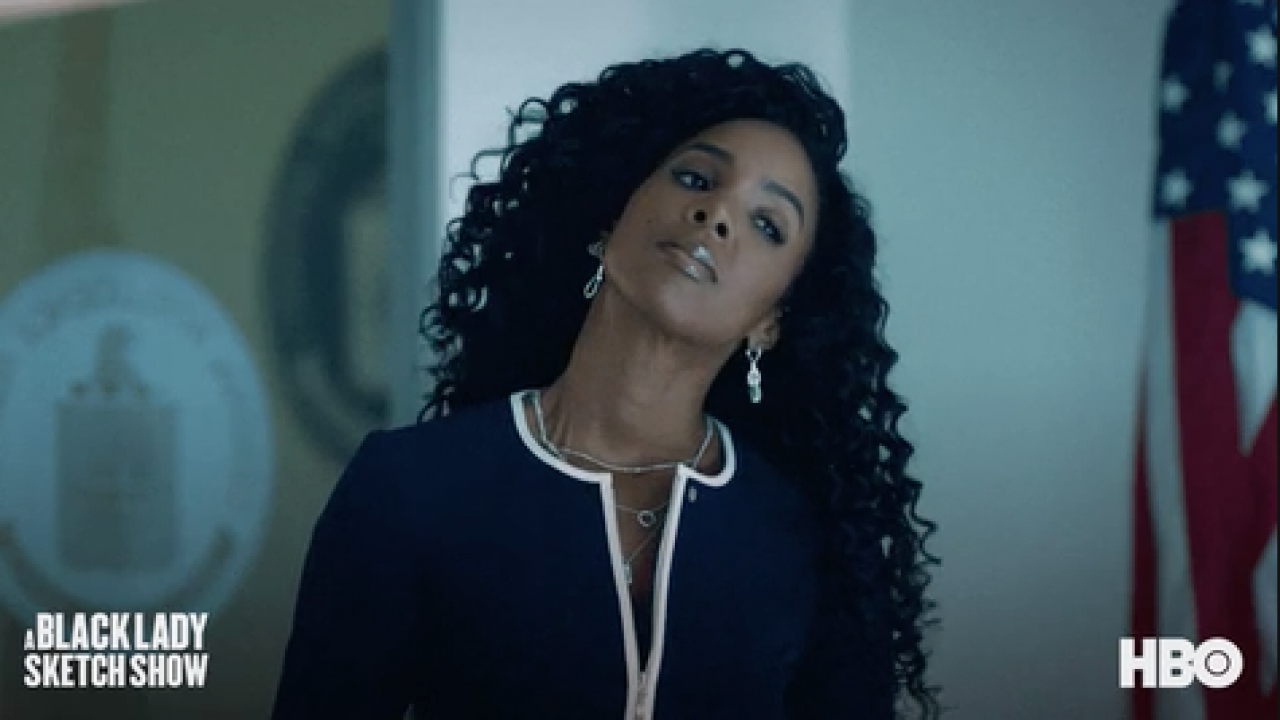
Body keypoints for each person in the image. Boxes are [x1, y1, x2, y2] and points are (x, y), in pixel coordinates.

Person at [272, 47, 940, 720]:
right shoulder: (410, 488)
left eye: (768, 224)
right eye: (695, 178)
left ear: (771, 321)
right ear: (610, 217)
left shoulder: (802, 540)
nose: (717, 214)